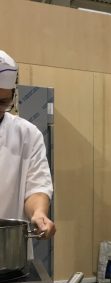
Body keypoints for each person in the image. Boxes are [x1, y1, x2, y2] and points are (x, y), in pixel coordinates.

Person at [0, 50, 55, 239]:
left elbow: (36, 186)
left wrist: (38, 213)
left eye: (2, 102)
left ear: (13, 97)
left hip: (8, 251)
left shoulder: (27, 134)